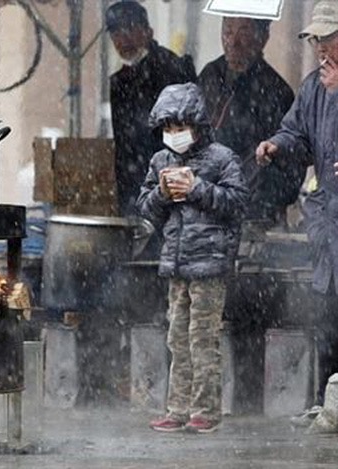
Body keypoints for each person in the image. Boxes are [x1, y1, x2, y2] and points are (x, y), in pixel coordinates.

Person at [138, 83, 248, 433]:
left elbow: (237, 203)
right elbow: (145, 209)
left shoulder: (222, 158)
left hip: (209, 265)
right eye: (168, 128)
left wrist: (196, 189)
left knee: (203, 338)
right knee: (177, 338)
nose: (174, 134)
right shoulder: (160, 161)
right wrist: (162, 193)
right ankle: (177, 408)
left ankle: (205, 410)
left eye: (180, 126)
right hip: (176, 264)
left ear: (198, 125)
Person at [255, 0, 338, 413]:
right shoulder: (313, 87)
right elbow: (298, 133)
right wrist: (277, 145)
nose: (320, 47)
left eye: (329, 38)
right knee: (327, 318)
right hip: (328, 225)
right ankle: (328, 403)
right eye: (315, 39)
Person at [198, 16, 305, 225]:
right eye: (228, 31)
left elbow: (291, 162)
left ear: (263, 37)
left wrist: (260, 201)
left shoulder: (276, 91)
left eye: (244, 32)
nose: (233, 42)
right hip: (206, 205)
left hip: (253, 214)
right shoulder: (210, 76)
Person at [106, 0, 196, 218]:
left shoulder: (172, 68)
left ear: (148, 31)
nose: (123, 39)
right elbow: (123, 146)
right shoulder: (119, 81)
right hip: (133, 189)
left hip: (169, 190)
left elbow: (186, 138)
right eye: (116, 33)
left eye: (130, 29)